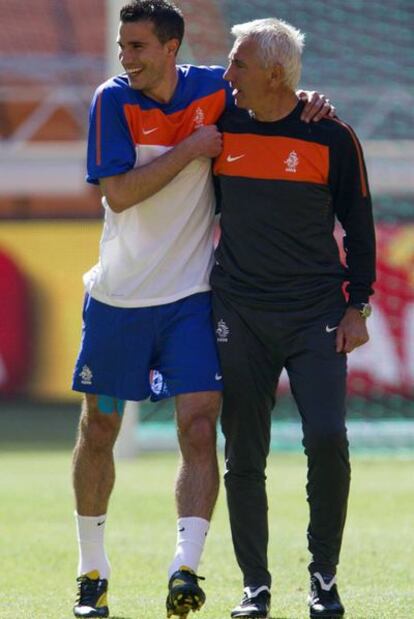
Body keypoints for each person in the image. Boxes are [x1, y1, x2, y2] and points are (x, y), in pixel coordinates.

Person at [71, 2, 334, 618]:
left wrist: (310, 99)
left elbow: (272, 88)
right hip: (117, 300)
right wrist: (193, 146)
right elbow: (122, 193)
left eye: (137, 46)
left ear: (172, 48)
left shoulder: (215, 86)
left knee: (198, 426)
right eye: (122, 45)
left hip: (191, 299)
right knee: (100, 427)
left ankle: (186, 568)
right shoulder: (112, 102)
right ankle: (92, 573)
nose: (125, 57)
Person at [211, 17, 376, 619]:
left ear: (276, 74)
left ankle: (323, 577)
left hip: (316, 316)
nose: (229, 74)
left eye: (240, 64)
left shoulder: (332, 136)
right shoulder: (219, 120)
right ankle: (255, 587)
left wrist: (358, 306)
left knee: (328, 439)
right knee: (243, 452)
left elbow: (360, 228)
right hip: (239, 312)